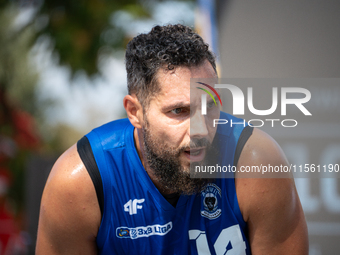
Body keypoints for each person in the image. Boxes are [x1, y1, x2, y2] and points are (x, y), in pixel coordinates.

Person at [36, 24, 308, 254]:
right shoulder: (81, 180)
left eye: (209, 106)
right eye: (179, 111)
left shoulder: (255, 163)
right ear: (135, 112)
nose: (200, 129)